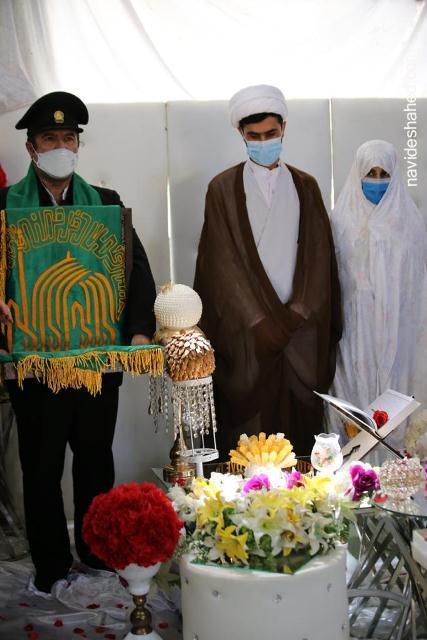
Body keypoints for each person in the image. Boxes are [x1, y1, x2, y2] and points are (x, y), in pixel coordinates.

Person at [0, 91, 156, 592]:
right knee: (41, 469)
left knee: (94, 461)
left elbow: (136, 270)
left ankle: (95, 551)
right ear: (31, 148)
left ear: (78, 145)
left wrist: (138, 330)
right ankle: (51, 565)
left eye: (69, 138)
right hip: (34, 364)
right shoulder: (5, 208)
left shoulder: (106, 204)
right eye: (50, 138)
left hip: (95, 362)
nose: (61, 147)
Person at [194, 84, 342, 458]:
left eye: (271, 134)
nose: (264, 142)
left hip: (300, 335)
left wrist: (298, 313)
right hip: (248, 339)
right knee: (248, 447)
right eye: (254, 136)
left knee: (300, 445)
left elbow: (319, 257)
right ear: (241, 134)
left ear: (284, 129)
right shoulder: (222, 189)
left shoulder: (306, 186)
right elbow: (221, 266)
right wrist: (259, 323)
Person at [330, 139, 427, 443]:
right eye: (370, 173)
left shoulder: (410, 223)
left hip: (400, 331)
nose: (377, 180)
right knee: (354, 404)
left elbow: (418, 286)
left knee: (397, 405)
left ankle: (399, 469)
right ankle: (354, 468)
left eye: (384, 174)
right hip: (354, 332)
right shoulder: (340, 221)